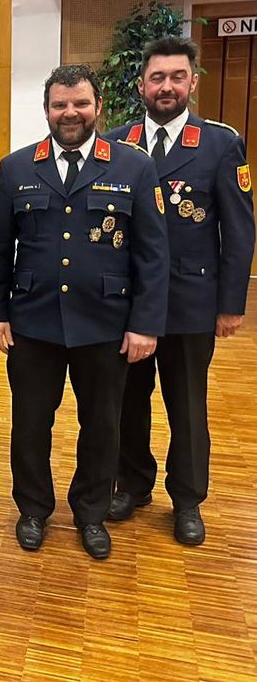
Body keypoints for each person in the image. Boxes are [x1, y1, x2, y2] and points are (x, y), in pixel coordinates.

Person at [0, 64, 169, 560]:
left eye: (80, 103)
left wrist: (145, 323)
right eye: (60, 105)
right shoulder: (17, 167)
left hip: (105, 324)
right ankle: (33, 509)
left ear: (98, 107)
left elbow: (152, 253)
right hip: (34, 322)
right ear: (46, 110)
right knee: (29, 424)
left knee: (103, 425)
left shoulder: (133, 166)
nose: (70, 113)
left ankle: (90, 512)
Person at [106, 37, 255, 545]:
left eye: (176, 77)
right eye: (156, 77)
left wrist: (231, 304)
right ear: (142, 84)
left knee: (187, 404)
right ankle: (133, 484)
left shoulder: (219, 144)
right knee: (129, 400)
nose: (166, 86)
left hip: (191, 303)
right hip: (127, 304)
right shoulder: (116, 144)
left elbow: (239, 230)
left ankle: (188, 498)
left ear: (193, 81)